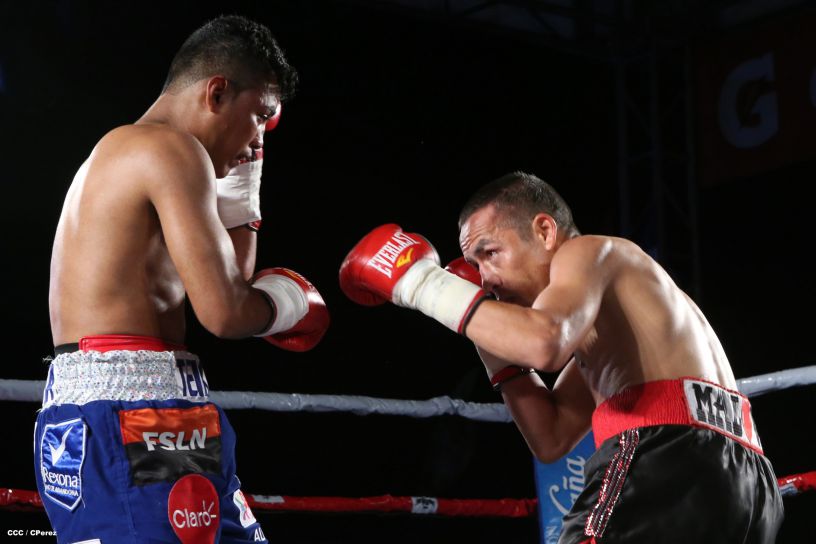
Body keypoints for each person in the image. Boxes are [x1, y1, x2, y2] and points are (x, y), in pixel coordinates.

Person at [339, 171, 784, 543]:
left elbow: (544, 343)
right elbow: (550, 437)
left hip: (666, 456)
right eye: (474, 268)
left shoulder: (586, 251)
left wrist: (421, 284)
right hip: (747, 485)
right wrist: (486, 333)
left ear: (545, 231)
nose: (485, 278)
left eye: (489, 253)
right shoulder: (619, 326)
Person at [36, 15, 329, 544]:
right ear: (217, 91)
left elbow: (227, 284)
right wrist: (292, 303)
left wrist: (245, 179)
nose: (261, 135)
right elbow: (226, 313)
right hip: (133, 418)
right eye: (259, 115)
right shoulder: (170, 150)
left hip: (141, 413)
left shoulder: (132, 152)